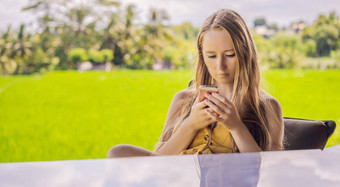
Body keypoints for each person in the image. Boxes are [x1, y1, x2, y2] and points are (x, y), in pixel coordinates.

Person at [107, 9, 284, 158]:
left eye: (230, 55)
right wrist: (191, 124)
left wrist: (236, 127)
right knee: (118, 152)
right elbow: (159, 161)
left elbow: (269, 172)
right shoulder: (183, 100)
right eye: (211, 56)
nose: (220, 66)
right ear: (202, 56)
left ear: (246, 54)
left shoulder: (266, 106)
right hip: (179, 180)